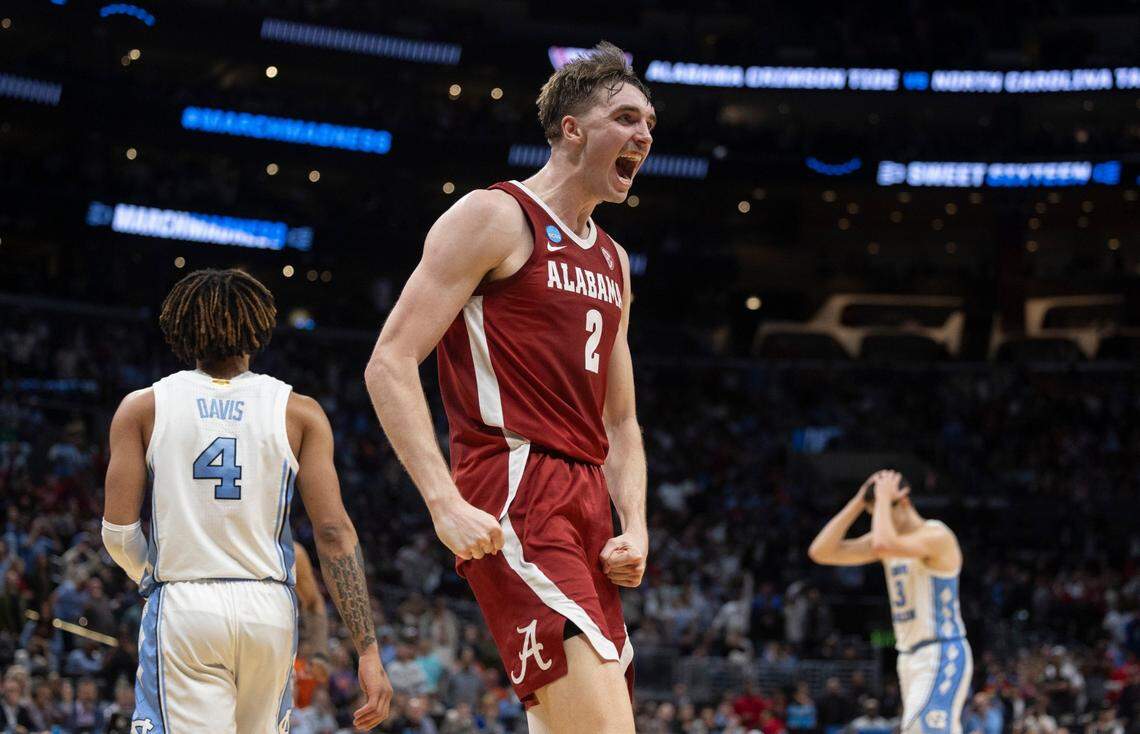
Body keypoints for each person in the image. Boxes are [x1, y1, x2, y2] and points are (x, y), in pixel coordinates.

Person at [365, 41, 653, 733]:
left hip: (589, 508)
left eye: (649, 123)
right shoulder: (495, 216)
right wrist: (442, 502)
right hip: (516, 487)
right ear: (573, 129)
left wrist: (637, 526)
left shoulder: (613, 259)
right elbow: (389, 362)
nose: (643, 134)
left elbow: (621, 424)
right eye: (625, 117)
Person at [102, 268, 392, 732]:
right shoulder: (300, 411)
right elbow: (335, 532)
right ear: (257, 331)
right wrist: (368, 650)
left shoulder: (143, 407)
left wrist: (159, 578)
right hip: (269, 607)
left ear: (182, 330)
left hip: (186, 604)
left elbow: (117, 534)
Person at [809, 470, 972, 734]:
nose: (880, 521)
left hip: (941, 651)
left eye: (883, 511)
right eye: (874, 515)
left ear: (904, 501)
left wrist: (883, 498)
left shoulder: (937, 535)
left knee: (924, 728)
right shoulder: (890, 542)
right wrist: (859, 501)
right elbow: (821, 551)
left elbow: (884, 544)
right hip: (908, 657)